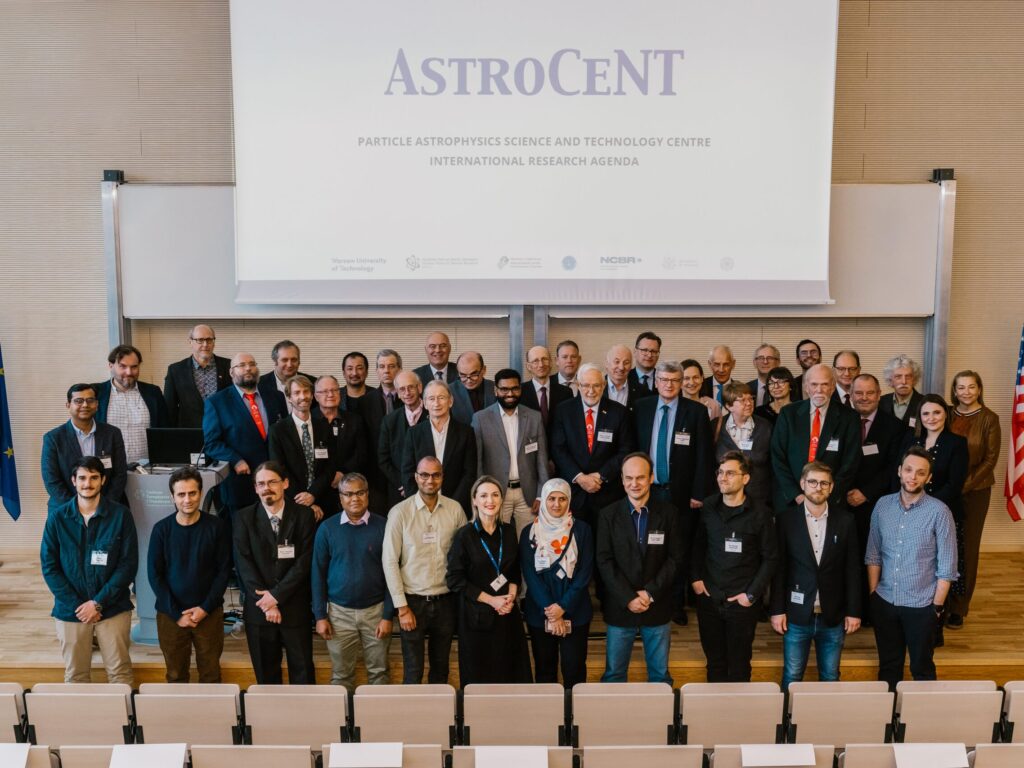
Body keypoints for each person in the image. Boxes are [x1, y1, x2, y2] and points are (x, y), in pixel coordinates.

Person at [40, 456, 138, 685]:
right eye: (82, 478)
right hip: (70, 609)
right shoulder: (57, 519)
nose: (88, 483)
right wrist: (79, 605)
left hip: (112, 607)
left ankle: (122, 721)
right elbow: (49, 566)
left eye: (94, 478)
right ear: (73, 481)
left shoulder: (121, 515)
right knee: (76, 676)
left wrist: (98, 603)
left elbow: (128, 564)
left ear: (103, 480)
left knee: (120, 673)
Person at [866, 446, 957, 689]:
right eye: (908, 470)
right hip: (885, 601)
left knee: (922, 668)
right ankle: (888, 721)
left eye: (920, 472)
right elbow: (873, 554)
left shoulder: (939, 511)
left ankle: (922, 723)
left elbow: (947, 565)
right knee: (888, 667)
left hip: (921, 605)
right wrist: (874, 594)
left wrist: (936, 607)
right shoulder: (882, 506)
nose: (912, 477)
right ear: (899, 471)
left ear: (929, 478)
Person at [770, 462, 861, 691]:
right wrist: (777, 609)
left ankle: (827, 723)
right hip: (796, 615)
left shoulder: (846, 521)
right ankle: (787, 724)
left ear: (831, 488)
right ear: (802, 484)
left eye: (824, 483)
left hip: (833, 616)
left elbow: (852, 569)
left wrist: (854, 611)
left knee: (830, 677)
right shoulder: (785, 520)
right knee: (792, 675)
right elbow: (779, 569)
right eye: (812, 482)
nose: (817, 487)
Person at [635, 361, 713, 625]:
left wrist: (699, 492)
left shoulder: (696, 411)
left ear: (682, 383)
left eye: (674, 380)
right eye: (664, 380)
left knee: (678, 549)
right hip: (648, 492)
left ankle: (675, 603)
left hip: (681, 494)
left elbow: (705, 455)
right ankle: (649, 598)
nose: (669, 385)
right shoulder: (642, 407)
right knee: (648, 547)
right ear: (656, 381)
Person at [691, 451, 777, 682]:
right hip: (710, 598)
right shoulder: (708, 507)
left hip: (742, 602)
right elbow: (697, 547)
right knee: (715, 663)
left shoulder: (761, 514)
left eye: (730, 473)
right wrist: (697, 582)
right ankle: (714, 716)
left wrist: (751, 595)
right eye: (720, 472)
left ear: (745, 478)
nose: (722, 478)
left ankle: (738, 716)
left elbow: (770, 558)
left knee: (739, 664)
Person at [597, 453, 681, 684]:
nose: (634, 484)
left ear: (651, 478)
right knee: (614, 674)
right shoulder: (607, 515)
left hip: (657, 605)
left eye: (640, 478)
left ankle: (660, 720)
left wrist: (649, 593)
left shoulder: (670, 513)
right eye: (629, 478)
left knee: (660, 676)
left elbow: (675, 559)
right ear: (622, 481)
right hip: (620, 606)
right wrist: (628, 597)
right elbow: (604, 561)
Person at [383, 457, 466, 684]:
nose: (430, 480)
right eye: (425, 475)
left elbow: (464, 557)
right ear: (416, 477)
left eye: (436, 475)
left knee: (441, 670)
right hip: (412, 603)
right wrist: (401, 608)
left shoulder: (455, 510)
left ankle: (438, 719)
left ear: (442, 477)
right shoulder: (399, 513)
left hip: (445, 601)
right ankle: (414, 719)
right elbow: (390, 561)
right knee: (413, 671)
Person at [233, 461, 317, 684]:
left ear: (285, 484)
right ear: (255, 488)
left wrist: (276, 596)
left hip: (294, 607)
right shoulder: (243, 518)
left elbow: (304, 562)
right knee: (265, 675)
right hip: (258, 609)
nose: (266, 488)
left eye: (272, 482)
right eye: (261, 483)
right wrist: (267, 601)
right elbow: (244, 564)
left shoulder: (304, 516)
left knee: (303, 674)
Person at [446, 476, 532, 685]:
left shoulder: (510, 531)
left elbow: (514, 571)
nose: (489, 500)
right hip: (477, 619)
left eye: (495, 495)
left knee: (512, 673)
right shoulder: (464, 536)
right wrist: (492, 601)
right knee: (481, 677)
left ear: (502, 499)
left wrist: (510, 598)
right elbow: (455, 579)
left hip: (507, 616)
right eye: (483, 495)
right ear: (474, 500)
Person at [896, 394, 968, 644]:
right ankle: (909, 620)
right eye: (926, 413)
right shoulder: (911, 440)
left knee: (941, 569)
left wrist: (928, 506)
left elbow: (955, 484)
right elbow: (903, 474)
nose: (931, 418)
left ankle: (935, 627)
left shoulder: (957, 443)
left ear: (945, 414)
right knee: (916, 567)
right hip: (909, 515)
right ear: (920, 417)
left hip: (943, 514)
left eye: (936, 413)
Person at [148, 467, 231, 683]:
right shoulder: (161, 530)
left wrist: (204, 609)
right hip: (170, 615)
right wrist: (177, 614)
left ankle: (212, 717)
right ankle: (180, 717)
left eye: (192, 493)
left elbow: (223, 572)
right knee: (175, 674)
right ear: (172, 497)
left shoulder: (216, 527)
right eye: (181, 494)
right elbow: (154, 576)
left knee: (211, 673)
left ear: (201, 493)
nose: (187, 500)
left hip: (208, 613)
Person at [312, 473, 393, 692]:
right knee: (341, 676)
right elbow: (317, 574)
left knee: (379, 673)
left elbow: (393, 575)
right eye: (348, 494)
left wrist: (387, 615)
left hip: (375, 613)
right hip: (339, 614)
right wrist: (320, 616)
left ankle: (377, 723)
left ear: (367, 495)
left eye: (359, 492)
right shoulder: (327, 529)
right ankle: (343, 724)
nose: (354, 498)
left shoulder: (384, 526)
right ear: (340, 498)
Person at [520, 478, 594, 688]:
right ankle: (547, 718)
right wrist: (552, 611)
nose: (556, 504)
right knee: (544, 670)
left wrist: (563, 607)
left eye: (562, 499)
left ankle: (575, 718)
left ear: (569, 501)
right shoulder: (529, 533)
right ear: (543, 500)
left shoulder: (582, 530)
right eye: (551, 498)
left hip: (575, 612)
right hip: (540, 613)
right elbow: (530, 575)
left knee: (575, 670)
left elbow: (584, 573)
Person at [946, 370, 1001, 628]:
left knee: (966, 548)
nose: (966, 392)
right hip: (945, 490)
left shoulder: (989, 418)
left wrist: (963, 486)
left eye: (971, 387)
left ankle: (958, 607)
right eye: (961, 388)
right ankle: (940, 600)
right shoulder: (946, 414)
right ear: (954, 391)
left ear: (979, 389)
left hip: (975, 492)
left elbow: (990, 459)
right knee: (943, 546)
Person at [846, 373, 904, 614]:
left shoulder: (895, 427)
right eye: (858, 393)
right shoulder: (841, 420)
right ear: (850, 396)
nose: (864, 397)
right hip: (843, 502)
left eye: (870, 392)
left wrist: (866, 493)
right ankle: (850, 606)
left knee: (874, 556)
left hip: (876, 504)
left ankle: (872, 609)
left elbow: (894, 468)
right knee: (847, 558)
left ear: (879, 395)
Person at [203, 352, 288, 515]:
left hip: (273, 482)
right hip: (239, 483)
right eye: (241, 365)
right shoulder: (217, 402)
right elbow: (211, 443)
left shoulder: (276, 396)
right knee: (241, 536)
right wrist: (235, 460)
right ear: (231, 372)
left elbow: (284, 435)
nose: (248, 368)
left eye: (252, 364)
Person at [550, 363, 635, 526]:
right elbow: (558, 449)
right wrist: (580, 477)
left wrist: (600, 476)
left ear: (603, 385)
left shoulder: (619, 412)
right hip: (573, 492)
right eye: (586, 385)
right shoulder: (563, 411)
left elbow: (626, 450)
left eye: (596, 385)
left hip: (607, 493)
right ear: (578, 385)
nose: (591, 391)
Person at [770, 364, 860, 513]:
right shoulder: (788, 414)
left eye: (824, 384)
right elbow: (777, 457)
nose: (819, 390)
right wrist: (797, 495)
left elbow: (850, 463)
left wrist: (824, 497)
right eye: (814, 384)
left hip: (830, 503)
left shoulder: (849, 417)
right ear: (806, 387)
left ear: (832, 386)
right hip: (792, 502)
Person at [472, 368, 549, 537]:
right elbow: (477, 462)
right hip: (496, 494)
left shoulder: (534, 417)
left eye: (514, 388)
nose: (510, 393)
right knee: (497, 540)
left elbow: (542, 459)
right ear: (496, 390)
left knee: (529, 541)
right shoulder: (480, 419)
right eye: (504, 389)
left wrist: (541, 494)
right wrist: (481, 495)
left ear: (520, 389)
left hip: (527, 494)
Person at [41, 383, 127, 514]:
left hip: (108, 508)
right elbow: (52, 480)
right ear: (68, 405)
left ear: (97, 405)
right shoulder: (53, 438)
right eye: (78, 401)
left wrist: (102, 506)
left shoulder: (112, 434)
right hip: (65, 510)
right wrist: (78, 508)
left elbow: (119, 474)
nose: (85, 405)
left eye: (90, 400)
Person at [268, 375, 338, 522]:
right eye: (297, 393)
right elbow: (279, 469)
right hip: (292, 503)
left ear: (312, 395)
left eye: (306, 392)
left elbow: (330, 467)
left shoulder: (324, 427)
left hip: (324, 500)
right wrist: (304, 499)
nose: (303, 397)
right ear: (289, 397)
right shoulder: (277, 430)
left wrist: (313, 495)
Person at [402, 380, 477, 513]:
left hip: (456, 506)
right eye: (431, 398)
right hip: (421, 507)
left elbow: (469, 473)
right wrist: (420, 502)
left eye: (441, 398)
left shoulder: (466, 432)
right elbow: (408, 472)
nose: (436, 403)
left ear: (451, 401)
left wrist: (453, 505)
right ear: (425, 403)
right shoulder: (414, 433)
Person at [94, 343, 169, 464]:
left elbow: (164, 430)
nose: (129, 372)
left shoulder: (153, 393)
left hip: (147, 468)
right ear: (110, 366)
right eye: (123, 366)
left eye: (134, 367)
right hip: (108, 470)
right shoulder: (96, 393)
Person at [715, 382, 773, 510]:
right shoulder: (716, 426)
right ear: (729, 406)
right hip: (725, 499)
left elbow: (772, 463)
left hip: (759, 499)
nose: (749, 403)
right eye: (742, 400)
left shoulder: (765, 426)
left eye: (750, 398)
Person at [163, 324, 231, 428]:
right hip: (189, 434)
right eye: (200, 340)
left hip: (224, 432)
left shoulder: (229, 366)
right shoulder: (176, 370)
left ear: (214, 342)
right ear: (190, 342)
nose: (205, 344)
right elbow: (169, 408)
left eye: (209, 340)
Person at [312, 375, 369, 497]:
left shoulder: (355, 420)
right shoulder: (309, 420)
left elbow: (361, 454)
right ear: (316, 396)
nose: (331, 394)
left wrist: (343, 473)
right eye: (325, 391)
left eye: (334, 390)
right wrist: (327, 478)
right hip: (316, 487)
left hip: (350, 484)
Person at [378, 370, 425, 506]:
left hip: (430, 487)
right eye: (402, 389)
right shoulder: (389, 421)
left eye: (411, 387)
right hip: (399, 491)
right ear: (397, 393)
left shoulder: (433, 414)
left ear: (420, 387)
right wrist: (404, 483)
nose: (407, 393)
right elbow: (383, 459)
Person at [519, 345, 574, 436]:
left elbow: (569, 425)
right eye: (535, 361)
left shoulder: (566, 392)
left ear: (551, 362)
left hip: (558, 447)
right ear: (528, 366)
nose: (541, 364)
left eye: (544, 359)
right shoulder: (520, 392)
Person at [258, 340, 316, 410]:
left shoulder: (314, 383)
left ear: (299, 362)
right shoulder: (259, 384)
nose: (289, 365)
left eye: (294, 360)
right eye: (284, 360)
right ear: (275, 361)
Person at [451, 351, 496, 425]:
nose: (468, 380)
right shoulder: (449, 391)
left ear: (484, 370)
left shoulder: (495, 388)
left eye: (474, 374)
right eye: (463, 375)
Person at [879, 355, 924, 429]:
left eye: (908, 376)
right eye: (898, 377)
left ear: (914, 379)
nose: (904, 382)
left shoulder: (924, 403)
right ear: (890, 380)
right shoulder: (880, 402)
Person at [605, 344, 640, 411]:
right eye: (617, 362)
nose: (621, 367)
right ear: (607, 363)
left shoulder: (642, 392)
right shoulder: (595, 388)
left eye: (626, 363)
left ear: (631, 365)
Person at [628, 331, 662, 397]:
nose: (649, 355)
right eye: (644, 350)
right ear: (635, 352)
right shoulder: (625, 378)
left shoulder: (664, 379)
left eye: (654, 351)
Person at [374, 349, 403, 416]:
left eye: (391, 366)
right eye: (382, 367)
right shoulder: (366, 401)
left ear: (399, 370)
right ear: (377, 371)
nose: (386, 371)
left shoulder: (409, 397)